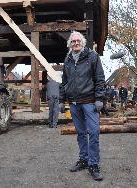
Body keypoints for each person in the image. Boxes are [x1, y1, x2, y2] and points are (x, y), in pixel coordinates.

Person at [59, 31, 105, 181]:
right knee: (80, 133)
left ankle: (93, 164)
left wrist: (99, 98)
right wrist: (61, 100)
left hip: (89, 102)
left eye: (78, 41)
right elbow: (64, 82)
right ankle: (84, 160)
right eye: (73, 41)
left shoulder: (92, 56)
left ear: (83, 42)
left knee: (93, 132)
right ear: (70, 44)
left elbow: (99, 78)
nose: (76, 43)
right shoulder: (68, 59)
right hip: (73, 103)